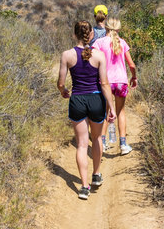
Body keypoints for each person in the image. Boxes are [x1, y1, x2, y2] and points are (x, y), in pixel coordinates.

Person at [57, 20, 116, 200]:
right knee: (96, 138)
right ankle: (96, 174)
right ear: (91, 35)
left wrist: (64, 91)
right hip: (96, 100)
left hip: (77, 100)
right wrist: (111, 107)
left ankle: (84, 186)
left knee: (82, 144)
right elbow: (105, 84)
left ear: (74, 34)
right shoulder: (99, 56)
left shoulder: (67, 55)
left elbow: (60, 83)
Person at [93, 17, 137, 155]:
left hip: (105, 81)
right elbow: (131, 65)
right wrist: (134, 77)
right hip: (121, 82)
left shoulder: (99, 43)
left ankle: (103, 143)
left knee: (106, 112)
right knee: (120, 112)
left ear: (105, 27)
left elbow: (92, 61)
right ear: (118, 28)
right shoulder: (122, 43)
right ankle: (123, 145)